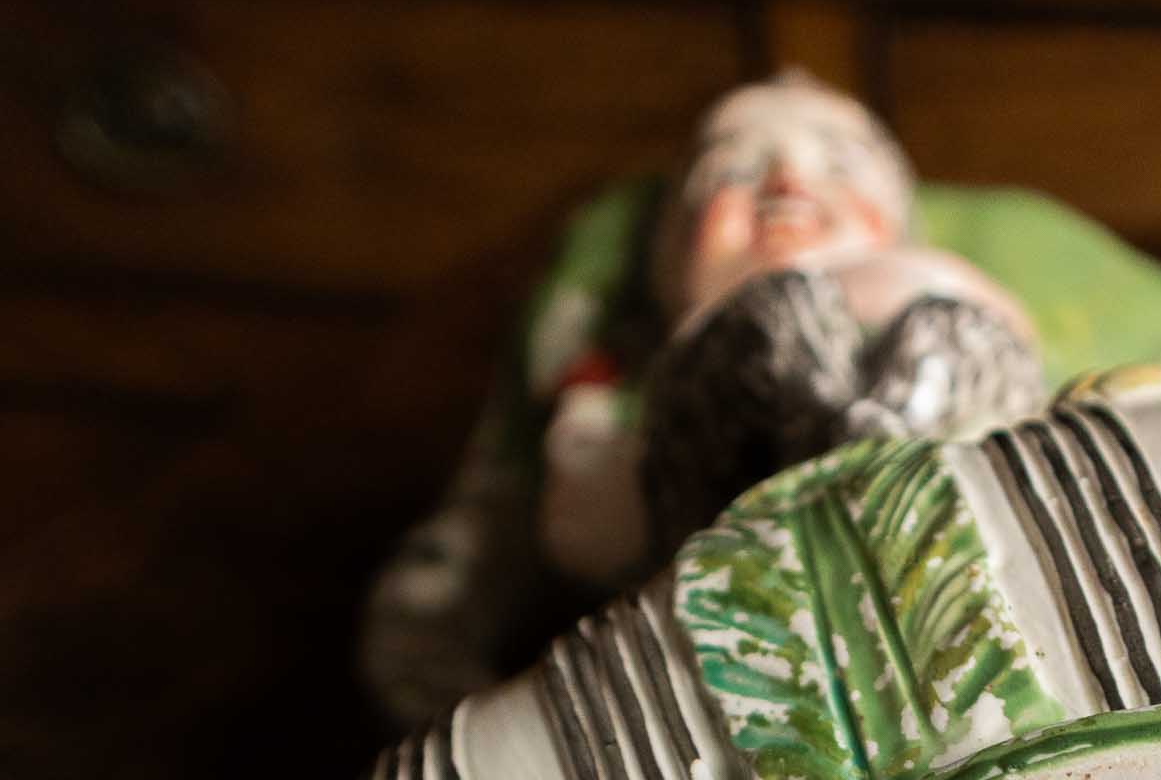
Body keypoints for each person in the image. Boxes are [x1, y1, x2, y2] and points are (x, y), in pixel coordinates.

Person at [361, 75, 1043, 726]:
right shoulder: (624, 384)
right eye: (732, 173)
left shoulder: (941, 301)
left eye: (841, 168)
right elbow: (461, 596)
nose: (788, 184)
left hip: (945, 594)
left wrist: (902, 284)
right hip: (718, 657)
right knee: (772, 320)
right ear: (669, 263)